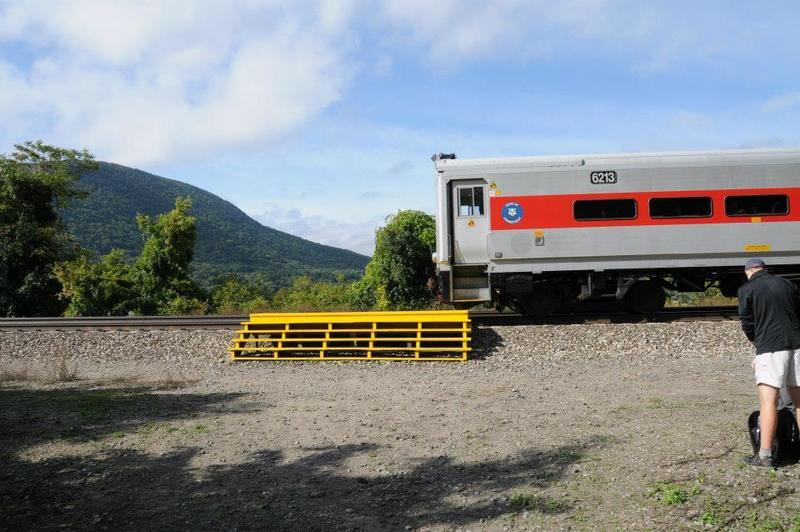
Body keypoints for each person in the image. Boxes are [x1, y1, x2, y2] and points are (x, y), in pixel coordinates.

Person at [737, 258, 800, 467]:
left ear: (748, 272)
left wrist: (758, 346)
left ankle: (765, 455)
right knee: (799, 401)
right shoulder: (787, 284)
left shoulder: (747, 289)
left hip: (771, 348)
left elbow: (748, 324)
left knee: (768, 402)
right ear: (765, 269)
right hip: (798, 345)